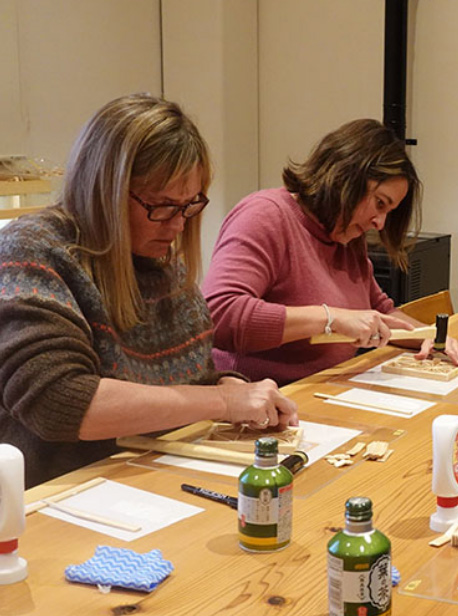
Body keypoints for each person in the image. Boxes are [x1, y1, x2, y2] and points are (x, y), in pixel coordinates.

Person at [0, 94, 298, 488]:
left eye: (189, 205)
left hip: (147, 477)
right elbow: (59, 401)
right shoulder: (33, 249)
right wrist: (223, 402)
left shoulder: (159, 261)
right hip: (62, 494)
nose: (177, 225)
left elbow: (184, 382)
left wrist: (227, 385)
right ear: (104, 190)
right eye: (160, 205)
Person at [203, 119, 458, 386]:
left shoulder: (345, 236)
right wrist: (329, 319)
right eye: (379, 203)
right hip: (260, 399)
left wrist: (427, 336)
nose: (379, 223)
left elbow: (379, 311)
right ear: (346, 177)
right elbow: (219, 315)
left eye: (388, 212)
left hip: (324, 389)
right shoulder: (266, 215)